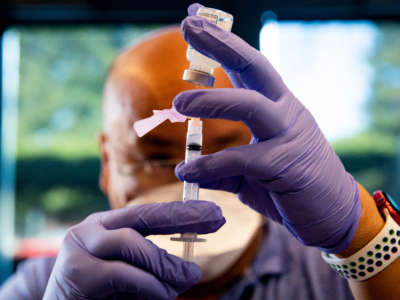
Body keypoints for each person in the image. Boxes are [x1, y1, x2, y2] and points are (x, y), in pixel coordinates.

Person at [1, 3, 399, 299]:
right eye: (157, 159)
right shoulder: (51, 285)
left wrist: (362, 235)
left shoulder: (337, 277)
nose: (195, 176)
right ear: (107, 164)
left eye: (228, 150)